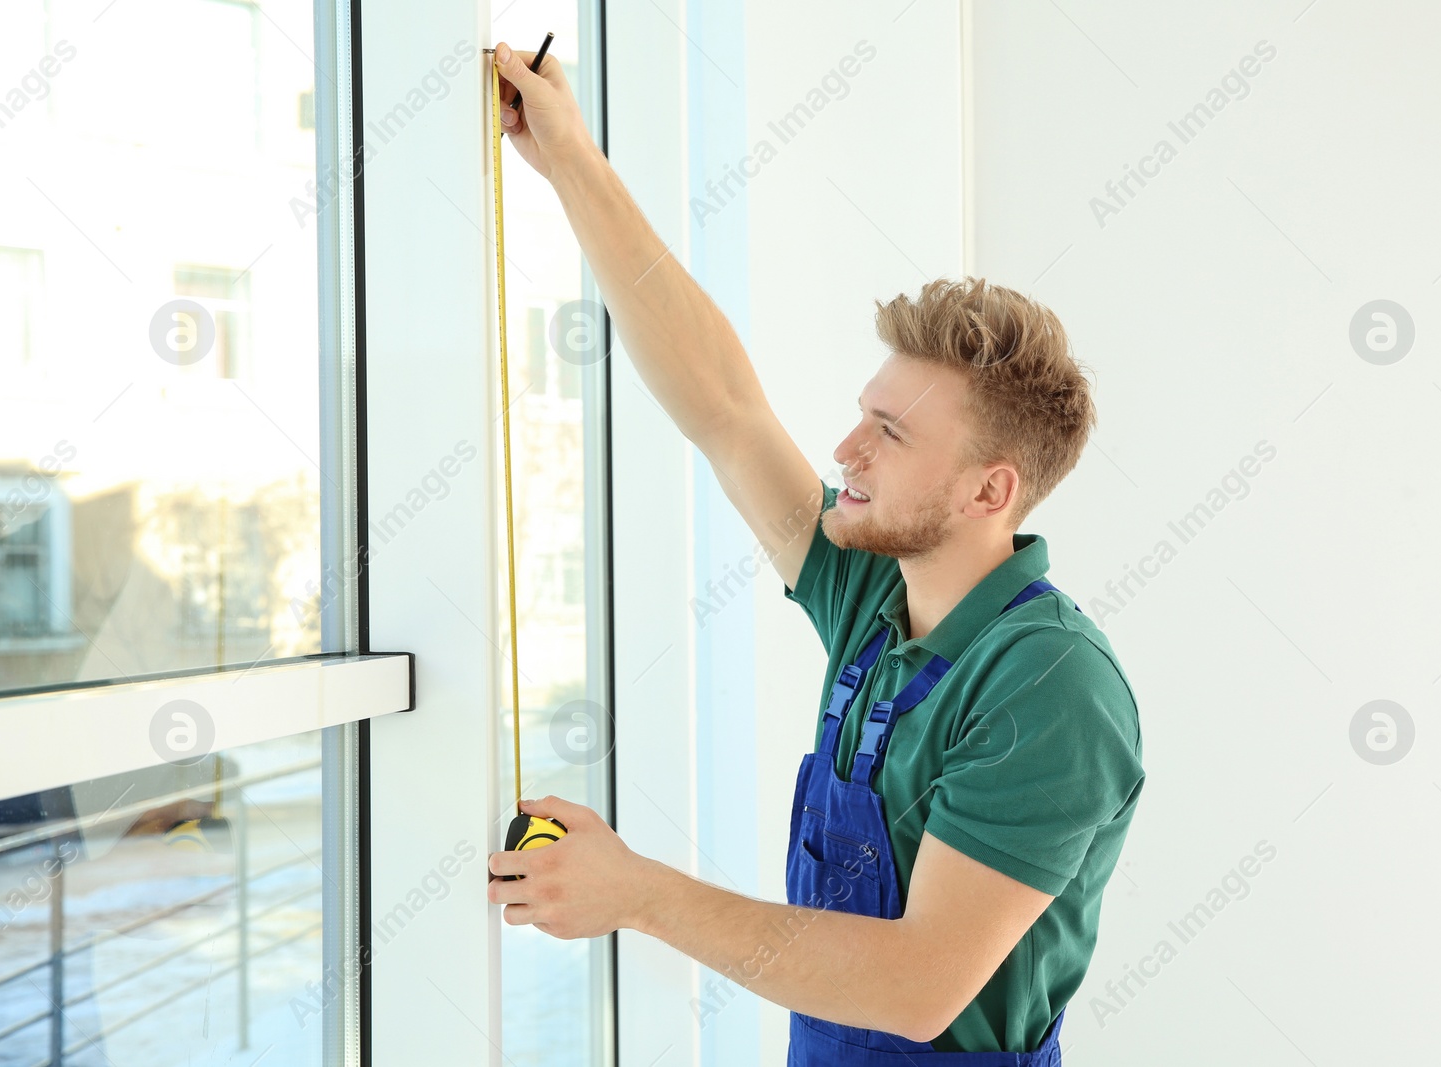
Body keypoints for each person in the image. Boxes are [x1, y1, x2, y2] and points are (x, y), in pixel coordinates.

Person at [485, 42, 1145, 1063]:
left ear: (988, 490)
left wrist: (636, 892)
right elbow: (723, 407)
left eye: (892, 432)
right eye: (861, 414)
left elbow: (918, 982)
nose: (845, 451)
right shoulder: (876, 598)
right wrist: (569, 159)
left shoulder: (1050, 687)